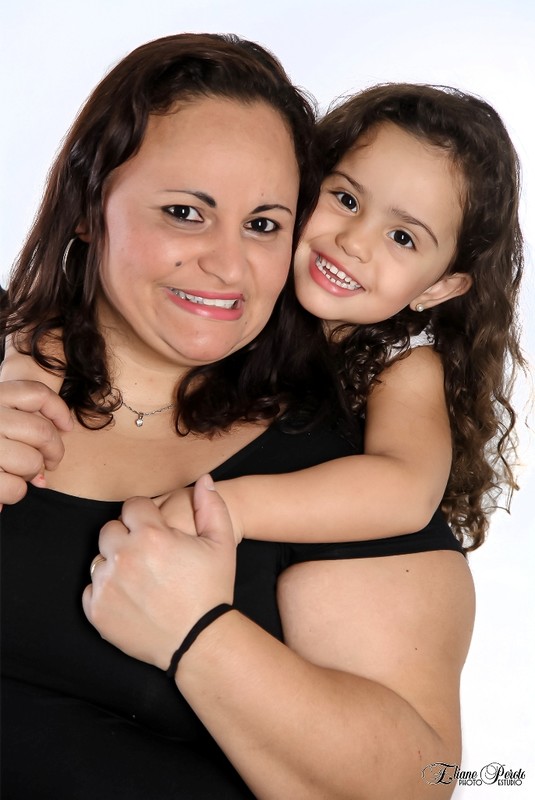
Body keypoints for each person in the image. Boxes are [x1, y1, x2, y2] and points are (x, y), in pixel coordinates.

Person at [0, 39, 509, 800]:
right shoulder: (14, 363)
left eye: (264, 224)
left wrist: (199, 635)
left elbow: (421, 783)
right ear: (85, 206)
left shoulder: (340, 467)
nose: (228, 264)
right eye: (185, 213)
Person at [3, 86, 524, 552]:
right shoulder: (250, 287)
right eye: (345, 200)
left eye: (402, 237)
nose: (353, 242)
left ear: (438, 287)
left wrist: (223, 507)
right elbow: (64, 306)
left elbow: (406, 491)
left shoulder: (403, 359)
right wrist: (28, 373)